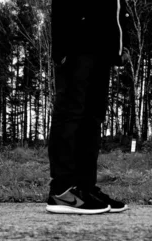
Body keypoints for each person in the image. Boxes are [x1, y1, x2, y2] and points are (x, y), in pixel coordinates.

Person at [46, 0, 130, 214]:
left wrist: (121, 45)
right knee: (71, 113)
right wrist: (61, 45)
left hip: (102, 48)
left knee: (92, 118)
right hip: (77, 42)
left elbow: (116, 6)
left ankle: (84, 188)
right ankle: (62, 190)